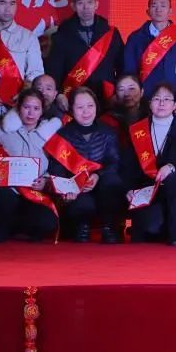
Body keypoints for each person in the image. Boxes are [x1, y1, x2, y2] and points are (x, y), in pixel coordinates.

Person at [0, 88, 61, 242]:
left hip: (34, 193)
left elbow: (56, 165)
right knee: (3, 200)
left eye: (36, 108)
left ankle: (14, 228)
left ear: (42, 111)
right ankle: (1, 228)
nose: (31, 113)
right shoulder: (2, 131)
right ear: (18, 107)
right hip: (7, 191)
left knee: (48, 222)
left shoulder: (49, 135)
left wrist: (45, 180)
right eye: (26, 107)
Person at [45, 87, 125, 243]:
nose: (86, 111)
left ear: (96, 106)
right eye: (80, 107)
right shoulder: (63, 135)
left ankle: (109, 227)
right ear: (71, 109)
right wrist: (67, 187)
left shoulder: (108, 132)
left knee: (113, 182)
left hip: (101, 184)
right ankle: (81, 226)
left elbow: (114, 162)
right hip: (76, 189)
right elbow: (57, 169)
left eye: (90, 106)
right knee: (83, 204)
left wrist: (97, 175)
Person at [123, 84, 176, 245]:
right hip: (148, 190)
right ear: (149, 103)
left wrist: (171, 167)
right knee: (150, 228)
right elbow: (128, 165)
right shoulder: (137, 130)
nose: (161, 103)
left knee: (174, 179)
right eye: (157, 99)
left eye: (167, 99)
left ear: (175, 105)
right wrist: (129, 188)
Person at [46, 0, 124, 107]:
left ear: (96, 4)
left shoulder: (111, 33)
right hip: (73, 98)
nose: (85, 7)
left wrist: (119, 92)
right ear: (73, 6)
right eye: (80, 2)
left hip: (107, 98)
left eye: (89, 1)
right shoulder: (61, 35)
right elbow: (54, 69)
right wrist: (59, 94)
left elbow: (122, 66)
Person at [122, 0, 176, 115]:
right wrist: (134, 100)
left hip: (174, 101)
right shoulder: (135, 38)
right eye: (154, 5)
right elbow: (129, 72)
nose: (158, 9)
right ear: (148, 11)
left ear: (170, 11)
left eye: (163, 5)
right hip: (144, 101)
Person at [0, 0, 44, 121]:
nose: (8, 8)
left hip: (19, 107)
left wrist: (24, 93)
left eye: (12, 3)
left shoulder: (28, 37)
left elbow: (36, 71)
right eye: (2, 3)